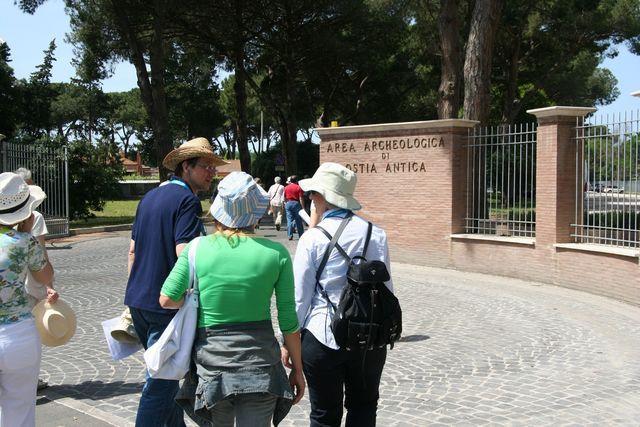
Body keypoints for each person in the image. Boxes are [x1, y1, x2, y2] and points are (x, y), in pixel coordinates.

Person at [159, 171, 305, 427]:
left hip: (213, 364)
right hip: (261, 366)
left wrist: (193, 299)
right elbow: (288, 320)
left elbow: (167, 299)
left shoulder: (196, 248)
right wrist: (298, 370)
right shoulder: (277, 254)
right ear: (256, 212)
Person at [124, 137, 226, 427]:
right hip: (165, 306)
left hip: (139, 302)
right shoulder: (187, 200)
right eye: (205, 166)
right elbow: (188, 254)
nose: (211, 172)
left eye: (212, 167)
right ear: (186, 167)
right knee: (161, 384)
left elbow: (132, 250)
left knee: (166, 380)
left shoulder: (150, 197)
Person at [285, 162, 393, 427]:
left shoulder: (313, 238)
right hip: (368, 335)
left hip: (323, 336)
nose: (310, 198)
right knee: (364, 409)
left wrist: (288, 341)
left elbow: (300, 297)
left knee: (324, 415)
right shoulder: (376, 234)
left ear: (322, 197)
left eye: (313, 193)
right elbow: (386, 289)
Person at [0, 172, 56, 427]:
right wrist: (26, 232)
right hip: (17, 333)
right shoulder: (25, 242)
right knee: (20, 410)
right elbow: (46, 276)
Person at [14, 167, 57, 391]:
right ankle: (31, 378)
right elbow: (42, 259)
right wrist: (49, 286)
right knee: (31, 331)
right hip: (28, 290)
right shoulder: (34, 222)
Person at [284, 175, 305, 241]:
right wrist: (303, 207)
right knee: (298, 220)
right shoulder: (298, 187)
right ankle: (301, 235)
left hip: (288, 203)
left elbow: (284, 197)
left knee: (289, 220)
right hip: (296, 203)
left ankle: (290, 235)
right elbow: (301, 198)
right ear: (296, 181)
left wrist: (285, 203)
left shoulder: (286, 187)